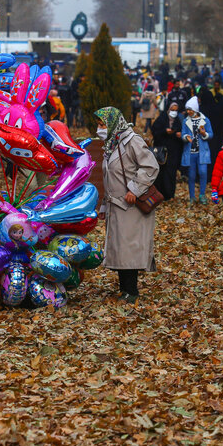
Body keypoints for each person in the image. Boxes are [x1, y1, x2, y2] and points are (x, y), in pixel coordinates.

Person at [95, 106, 159, 303]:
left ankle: (131, 291)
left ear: (113, 123)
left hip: (131, 206)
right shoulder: (111, 144)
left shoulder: (132, 141)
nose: (99, 128)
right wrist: (105, 206)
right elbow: (109, 177)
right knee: (119, 248)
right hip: (116, 206)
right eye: (98, 124)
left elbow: (150, 166)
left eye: (102, 124)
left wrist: (135, 189)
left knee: (129, 248)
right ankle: (124, 289)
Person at [181, 96, 213, 204]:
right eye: (187, 110)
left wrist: (204, 134)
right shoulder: (186, 121)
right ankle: (192, 196)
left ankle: (202, 194)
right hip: (191, 152)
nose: (188, 112)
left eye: (190, 109)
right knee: (191, 174)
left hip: (202, 151)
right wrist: (186, 137)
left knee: (203, 172)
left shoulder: (205, 120)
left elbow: (211, 134)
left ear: (195, 109)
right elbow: (183, 134)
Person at [151, 101, 184, 200]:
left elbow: (181, 133)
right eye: (172, 110)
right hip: (161, 150)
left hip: (173, 151)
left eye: (176, 110)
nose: (174, 112)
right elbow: (155, 132)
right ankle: (159, 193)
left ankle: (169, 194)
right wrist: (164, 131)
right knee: (160, 172)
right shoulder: (161, 119)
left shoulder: (178, 121)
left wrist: (178, 134)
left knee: (170, 172)